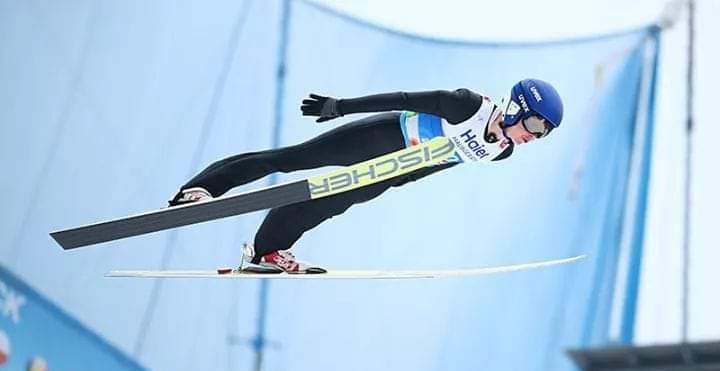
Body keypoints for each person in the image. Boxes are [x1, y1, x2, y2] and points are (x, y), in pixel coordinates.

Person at [168, 78, 564, 273]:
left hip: (394, 168)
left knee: (328, 202)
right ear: (517, 107)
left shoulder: (501, 151)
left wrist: (398, 179)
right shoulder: (468, 106)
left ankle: (266, 251)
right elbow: (403, 99)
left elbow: (441, 162)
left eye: (543, 133)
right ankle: (199, 189)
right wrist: (341, 106)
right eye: (534, 124)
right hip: (379, 138)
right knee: (292, 159)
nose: (534, 135)